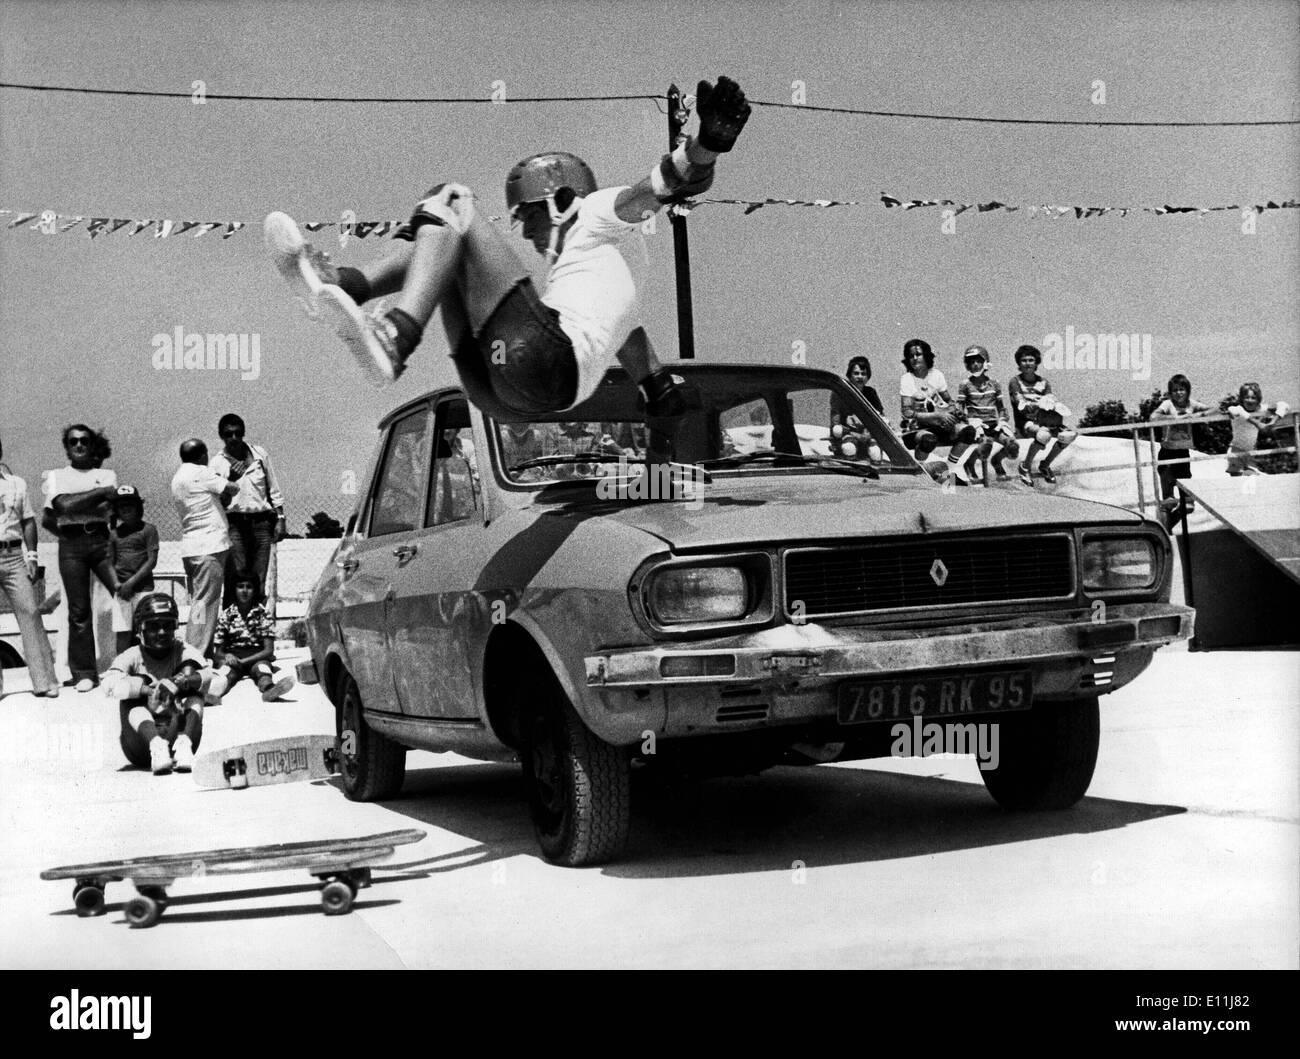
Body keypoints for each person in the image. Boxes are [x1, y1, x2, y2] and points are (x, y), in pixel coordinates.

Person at [264, 77, 750, 447]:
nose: (524, 232)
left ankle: (394, 332)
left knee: (450, 201)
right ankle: (347, 287)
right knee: (449, 248)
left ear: (562, 201)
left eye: (529, 217)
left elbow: (662, 187)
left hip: (536, 362)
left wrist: (706, 145)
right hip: (506, 394)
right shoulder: (607, 286)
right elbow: (647, 369)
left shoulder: (599, 213)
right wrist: (663, 396)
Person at [103, 594, 220, 774]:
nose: (161, 633)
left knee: (194, 687)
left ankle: (183, 745)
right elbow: (109, 684)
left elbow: (210, 677)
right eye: (153, 627)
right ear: (140, 629)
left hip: (178, 732)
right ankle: (157, 746)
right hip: (141, 744)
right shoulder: (132, 655)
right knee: (130, 691)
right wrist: (146, 690)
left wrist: (182, 682)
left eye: (167, 626)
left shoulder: (183, 650)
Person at [41, 425, 118, 691]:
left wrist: (73, 501)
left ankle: (126, 662)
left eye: (84, 441)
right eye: (73, 442)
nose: (79, 446)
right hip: (71, 544)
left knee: (121, 599)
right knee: (78, 610)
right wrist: (97, 494)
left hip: (101, 540)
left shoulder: (106, 473)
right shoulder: (55, 476)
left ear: (92, 445)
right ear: (67, 447)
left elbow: (98, 506)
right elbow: (60, 507)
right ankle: (84, 673)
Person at [0, 435, 59, 697]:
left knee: (31, 614)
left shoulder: (16, 484)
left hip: (13, 556)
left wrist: (32, 556)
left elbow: (28, 521)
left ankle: (45, 682)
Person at [209, 413, 287, 606]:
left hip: (261, 522)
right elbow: (217, 502)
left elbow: (273, 488)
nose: (233, 438)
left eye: (237, 433)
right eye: (228, 434)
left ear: (243, 433)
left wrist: (281, 518)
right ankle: (233, 629)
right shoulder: (217, 463)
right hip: (234, 523)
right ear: (222, 436)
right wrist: (231, 480)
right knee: (237, 578)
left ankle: (258, 627)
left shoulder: (259, 455)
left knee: (258, 579)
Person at [171, 439, 239, 654]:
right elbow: (233, 488)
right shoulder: (201, 472)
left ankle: (198, 649)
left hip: (192, 548)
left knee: (199, 604)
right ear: (202, 455)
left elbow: (217, 499)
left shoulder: (178, 477)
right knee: (205, 605)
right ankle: (195, 654)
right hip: (210, 546)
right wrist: (232, 476)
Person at [898, 338, 980, 479]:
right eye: (911, 356)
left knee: (968, 432)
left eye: (918, 354)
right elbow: (907, 412)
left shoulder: (937, 375)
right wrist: (937, 416)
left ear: (927, 356)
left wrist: (954, 411)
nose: (914, 358)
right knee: (928, 440)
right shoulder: (907, 379)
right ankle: (920, 471)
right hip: (916, 429)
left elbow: (949, 400)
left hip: (939, 426)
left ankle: (951, 467)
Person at [211, 573, 295, 701]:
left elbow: (268, 650)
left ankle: (269, 690)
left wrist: (244, 661)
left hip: (256, 657)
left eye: (249, 587)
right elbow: (218, 652)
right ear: (234, 590)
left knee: (262, 669)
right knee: (226, 674)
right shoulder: (226, 615)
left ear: (255, 590)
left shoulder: (262, 614)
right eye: (240, 586)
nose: (244, 591)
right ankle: (212, 695)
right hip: (234, 659)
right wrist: (227, 656)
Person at [1008, 344, 1077, 486]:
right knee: (1043, 435)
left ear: (1037, 362)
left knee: (1068, 436)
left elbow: (1050, 401)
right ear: (1019, 363)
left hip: (1045, 420)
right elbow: (1021, 406)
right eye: (1024, 360)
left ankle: (1045, 465)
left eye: (1031, 360)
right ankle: (1025, 466)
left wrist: (1053, 406)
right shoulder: (1015, 382)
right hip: (1026, 422)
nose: (1027, 363)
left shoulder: (1044, 382)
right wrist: (1039, 404)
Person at [107, 485, 159, 655]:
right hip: (122, 592)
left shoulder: (149, 530)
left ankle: (149, 664)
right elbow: (109, 563)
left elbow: (151, 561)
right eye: (122, 506)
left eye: (130, 504)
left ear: (138, 507)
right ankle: (121, 668)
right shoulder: (114, 534)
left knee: (146, 629)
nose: (126, 509)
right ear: (116, 510)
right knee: (123, 631)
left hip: (143, 589)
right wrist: (117, 585)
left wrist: (131, 582)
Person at [956, 345, 1018, 482]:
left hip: (993, 425)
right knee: (986, 445)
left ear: (985, 363)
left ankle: (996, 460)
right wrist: (968, 421)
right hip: (977, 426)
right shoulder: (965, 384)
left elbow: (1001, 407)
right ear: (967, 365)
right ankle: (969, 464)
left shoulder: (994, 384)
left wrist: (1002, 420)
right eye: (971, 362)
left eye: (978, 361)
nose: (975, 365)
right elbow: (959, 408)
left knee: (1013, 445)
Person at [1148, 373, 1210, 501]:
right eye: (1175, 390)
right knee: (1168, 498)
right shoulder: (1167, 404)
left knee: (1187, 500)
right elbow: (1153, 417)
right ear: (1170, 393)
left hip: (1183, 452)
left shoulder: (1191, 405)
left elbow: (1215, 410)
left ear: (1187, 391)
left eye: (1182, 389)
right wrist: (1174, 418)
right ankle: (1168, 511)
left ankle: (1182, 509)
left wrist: (1197, 416)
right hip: (1167, 451)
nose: (1178, 393)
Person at [1226, 382, 1291, 475]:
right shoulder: (1237, 409)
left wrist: (1273, 421)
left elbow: (1284, 405)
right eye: (1246, 397)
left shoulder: (1260, 409)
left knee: (1254, 479)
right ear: (1242, 399)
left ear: (1258, 399)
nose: (1250, 400)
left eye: (1253, 398)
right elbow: (1234, 410)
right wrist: (1257, 423)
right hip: (1235, 450)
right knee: (1237, 480)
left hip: (1250, 451)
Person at [830, 356, 885, 461]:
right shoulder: (839, 394)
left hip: (868, 435)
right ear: (849, 375)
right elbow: (835, 424)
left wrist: (868, 433)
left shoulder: (871, 393)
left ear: (868, 376)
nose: (860, 377)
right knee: (848, 448)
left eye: (863, 374)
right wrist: (855, 434)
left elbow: (879, 417)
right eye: (856, 373)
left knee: (875, 452)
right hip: (847, 435)